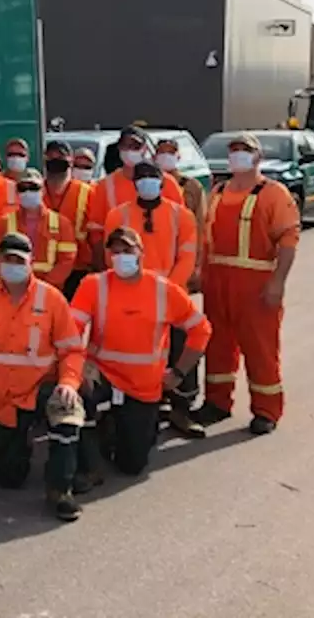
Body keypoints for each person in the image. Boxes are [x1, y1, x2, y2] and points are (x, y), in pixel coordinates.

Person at [0, 233, 87, 522]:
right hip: (2, 398)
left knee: (68, 412)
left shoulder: (52, 298)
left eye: (19, 260)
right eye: (7, 259)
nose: (12, 265)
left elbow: (72, 350)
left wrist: (68, 383)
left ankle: (60, 489)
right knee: (8, 478)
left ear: (31, 262)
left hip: (42, 387)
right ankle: (13, 444)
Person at [70, 227, 211, 481]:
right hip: (102, 375)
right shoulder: (94, 285)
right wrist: (78, 368)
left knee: (132, 465)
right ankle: (89, 465)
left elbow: (201, 330)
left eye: (128, 250)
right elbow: (70, 332)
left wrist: (178, 373)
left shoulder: (163, 290)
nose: (121, 256)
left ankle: (125, 428)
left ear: (141, 253)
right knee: (77, 398)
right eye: (115, 252)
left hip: (143, 387)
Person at [195, 132, 300, 435]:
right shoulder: (217, 192)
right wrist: (201, 273)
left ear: (257, 157)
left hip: (256, 283)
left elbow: (288, 241)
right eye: (234, 150)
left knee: (260, 348)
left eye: (245, 150)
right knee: (217, 345)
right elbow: (206, 239)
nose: (238, 155)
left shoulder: (274, 194)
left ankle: (266, 409)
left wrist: (278, 283)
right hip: (218, 281)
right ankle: (217, 402)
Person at [102, 161, 202, 437]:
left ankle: (182, 408)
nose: (147, 182)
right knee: (134, 351)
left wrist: (166, 290)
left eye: (152, 177)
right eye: (141, 178)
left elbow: (187, 256)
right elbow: (111, 257)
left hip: (171, 293)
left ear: (162, 181)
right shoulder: (117, 215)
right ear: (134, 183)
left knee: (182, 345)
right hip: (129, 293)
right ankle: (140, 405)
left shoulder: (182, 216)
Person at [86, 127, 184, 269]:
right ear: (119, 148)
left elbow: (182, 230)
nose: (130, 150)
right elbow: (96, 232)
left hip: (162, 270)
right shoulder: (105, 186)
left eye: (135, 146)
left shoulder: (168, 184)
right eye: (126, 146)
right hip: (121, 268)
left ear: (145, 149)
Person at [0, 170, 77, 291]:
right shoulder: (4, 223)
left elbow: (66, 260)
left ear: (43, 190)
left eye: (34, 187)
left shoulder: (62, 224)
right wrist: (13, 282)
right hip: (12, 290)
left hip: (49, 290)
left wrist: (43, 287)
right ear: (17, 192)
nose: (28, 192)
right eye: (23, 188)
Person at [154, 136, 207, 293]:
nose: (166, 156)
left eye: (170, 152)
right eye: (161, 152)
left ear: (178, 156)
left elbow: (200, 225)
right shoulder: (144, 184)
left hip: (181, 256)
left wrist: (197, 264)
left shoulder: (191, 187)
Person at [43, 140, 94, 299]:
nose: (56, 161)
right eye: (52, 157)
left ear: (71, 161)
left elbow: (96, 234)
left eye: (61, 157)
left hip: (79, 270)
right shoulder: (35, 191)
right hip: (44, 271)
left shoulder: (88, 192)